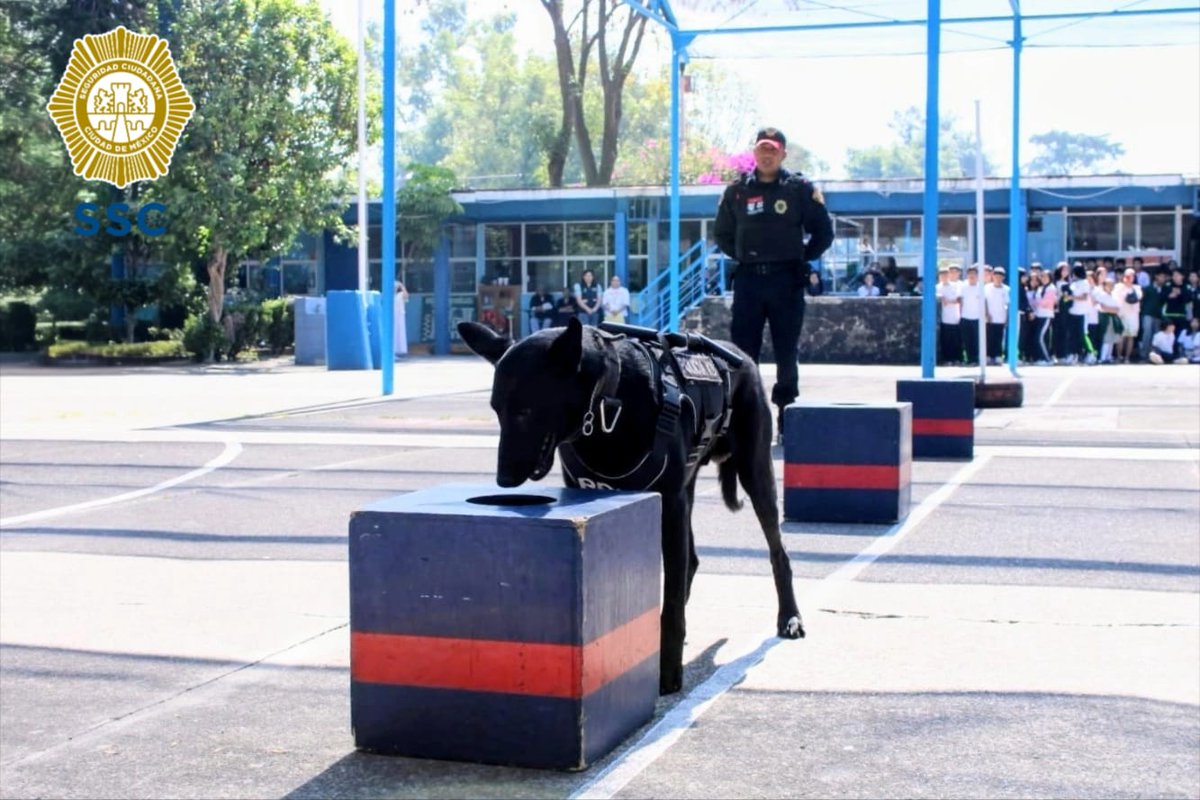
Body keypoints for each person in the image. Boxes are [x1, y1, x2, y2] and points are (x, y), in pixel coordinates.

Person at [713, 126, 834, 441]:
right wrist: (743, 254)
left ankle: (786, 414)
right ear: (754, 152)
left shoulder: (798, 190)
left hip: (786, 281)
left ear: (783, 154)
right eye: (762, 149)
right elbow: (722, 234)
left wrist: (801, 257)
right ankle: (742, 419)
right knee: (742, 354)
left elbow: (824, 231)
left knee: (785, 351)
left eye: (773, 150)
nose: (767, 155)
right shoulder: (737, 191)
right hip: (750, 280)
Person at [1111, 268, 1142, 364]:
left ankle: (1127, 358)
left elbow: (1135, 298)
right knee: (1121, 337)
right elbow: (1116, 299)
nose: (1129, 278)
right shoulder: (1118, 287)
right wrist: (1124, 288)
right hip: (1121, 315)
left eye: (1131, 276)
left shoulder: (1137, 288)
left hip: (1133, 315)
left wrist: (1129, 290)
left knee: (1130, 336)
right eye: (1127, 276)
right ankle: (1119, 356)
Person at [935, 266, 962, 365]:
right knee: (946, 340)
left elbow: (959, 299)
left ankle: (957, 359)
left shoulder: (956, 286)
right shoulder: (937, 287)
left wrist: (949, 301)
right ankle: (947, 359)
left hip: (955, 317)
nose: (944, 277)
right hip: (943, 318)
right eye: (942, 275)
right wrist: (942, 299)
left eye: (946, 274)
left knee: (956, 340)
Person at [983, 266, 1009, 365]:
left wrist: (1006, 317)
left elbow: (1007, 304)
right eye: (996, 275)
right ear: (993, 276)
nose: (998, 278)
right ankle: (988, 356)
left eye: (1000, 276)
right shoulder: (987, 288)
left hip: (1001, 317)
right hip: (989, 318)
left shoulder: (1006, 289)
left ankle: (998, 355)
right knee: (989, 337)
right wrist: (986, 313)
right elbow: (984, 301)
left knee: (999, 337)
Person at [393, 280, 409, 358]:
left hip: (399, 316)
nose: (394, 289)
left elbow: (406, 296)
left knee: (399, 333)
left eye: (396, 287)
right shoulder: (388, 296)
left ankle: (399, 350)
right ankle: (393, 351)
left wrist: (402, 286)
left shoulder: (400, 295)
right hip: (391, 317)